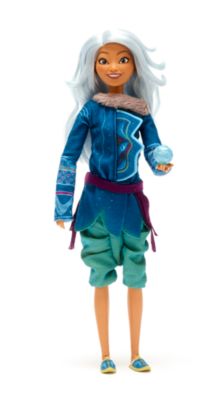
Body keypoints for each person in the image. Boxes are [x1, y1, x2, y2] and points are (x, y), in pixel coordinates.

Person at [54, 30, 173, 373]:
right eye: (103, 60)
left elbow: (153, 149)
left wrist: (161, 162)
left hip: (132, 205)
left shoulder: (142, 112)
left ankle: (135, 352)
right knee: (100, 276)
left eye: (123, 59)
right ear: (92, 67)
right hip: (96, 208)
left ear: (135, 65)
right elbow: (68, 157)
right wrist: (63, 205)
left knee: (136, 277)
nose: (113, 67)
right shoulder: (90, 111)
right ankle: (105, 353)